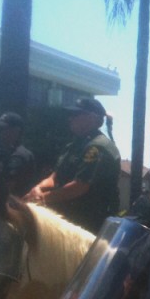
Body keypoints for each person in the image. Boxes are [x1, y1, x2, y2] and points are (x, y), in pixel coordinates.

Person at [25, 97, 121, 234]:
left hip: (89, 226)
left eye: (76, 115)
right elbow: (55, 177)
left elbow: (79, 187)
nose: (70, 118)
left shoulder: (98, 147)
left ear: (92, 118)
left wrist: (42, 198)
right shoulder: (74, 146)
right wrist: (38, 188)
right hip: (68, 221)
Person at [0, 111, 37, 196]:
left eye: (2, 129)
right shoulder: (8, 153)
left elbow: (7, 190)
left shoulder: (18, 156)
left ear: (16, 131)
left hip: (13, 206)